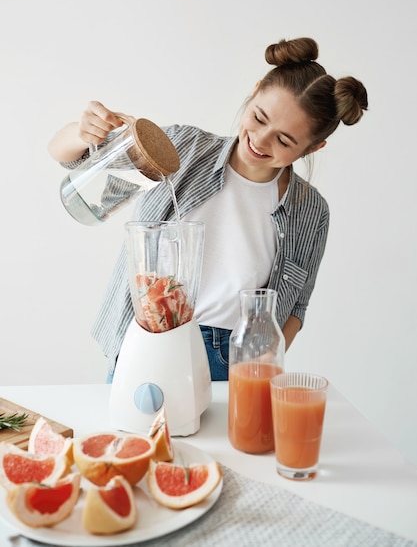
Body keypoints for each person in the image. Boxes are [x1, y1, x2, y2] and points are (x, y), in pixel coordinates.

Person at [48, 36, 368, 382]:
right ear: (256, 90)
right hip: (143, 338)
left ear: (314, 146)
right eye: (259, 118)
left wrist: (258, 372)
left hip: (229, 357)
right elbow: (69, 156)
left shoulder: (311, 212)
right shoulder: (180, 148)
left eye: (284, 140)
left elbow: (295, 311)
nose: (260, 141)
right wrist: (83, 133)